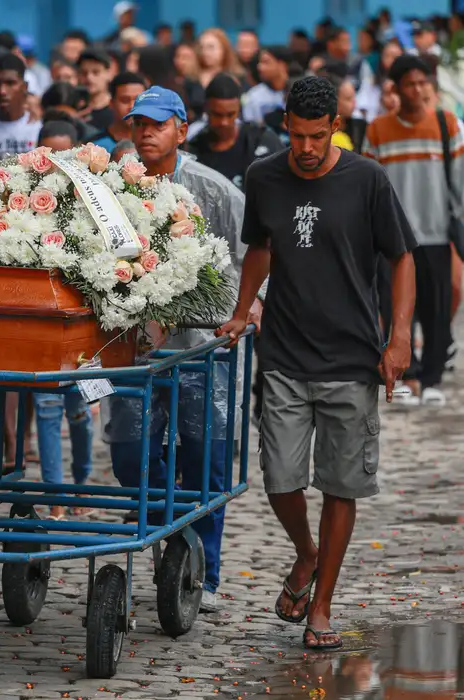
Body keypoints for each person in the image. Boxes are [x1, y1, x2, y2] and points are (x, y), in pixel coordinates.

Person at [217, 75, 416, 652]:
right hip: (282, 351)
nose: (305, 148)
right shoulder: (264, 177)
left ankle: (321, 604)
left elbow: (401, 257)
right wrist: (241, 309)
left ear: (335, 127)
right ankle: (306, 552)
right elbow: (261, 247)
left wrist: (398, 338)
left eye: (316, 136)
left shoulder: (368, 180)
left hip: (353, 357)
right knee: (279, 478)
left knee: (340, 483)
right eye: (296, 136)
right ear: (286, 126)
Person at [105, 86, 252, 614]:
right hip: (136, 353)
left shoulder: (212, 189)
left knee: (206, 460)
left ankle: (203, 574)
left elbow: (253, 252)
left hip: (203, 350)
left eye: (157, 123)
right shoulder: (115, 189)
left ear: (182, 129)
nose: (145, 132)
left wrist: (245, 312)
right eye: (137, 123)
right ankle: (177, 532)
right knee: (129, 455)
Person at [362, 56, 461, 407]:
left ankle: (432, 377)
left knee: (436, 308)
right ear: (396, 88)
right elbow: (369, 186)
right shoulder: (378, 129)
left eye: (423, 83)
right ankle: (410, 374)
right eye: (410, 83)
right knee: (395, 308)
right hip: (393, 238)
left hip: (434, 233)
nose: (417, 90)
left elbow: (460, 184)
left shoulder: (447, 124)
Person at [187, 73, 285, 191]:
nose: (224, 122)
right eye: (217, 115)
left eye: (230, 114)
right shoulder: (195, 150)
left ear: (239, 109)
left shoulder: (261, 140)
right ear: (206, 109)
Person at [89, 72, 147, 152]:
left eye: (138, 100)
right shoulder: (94, 147)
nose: (132, 106)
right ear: (111, 104)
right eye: (125, 100)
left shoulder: (156, 142)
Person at [244, 46, 291, 126]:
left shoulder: (299, 91)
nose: (259, 67)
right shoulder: (253, 96)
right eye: (259, 62)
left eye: (266, 62)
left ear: (281, 65)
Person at [77, 49, 115, 132]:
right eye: (84, 73)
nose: (89, 78)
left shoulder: (117, 110)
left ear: (108, 73)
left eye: (96, 72)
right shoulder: (74, 108)